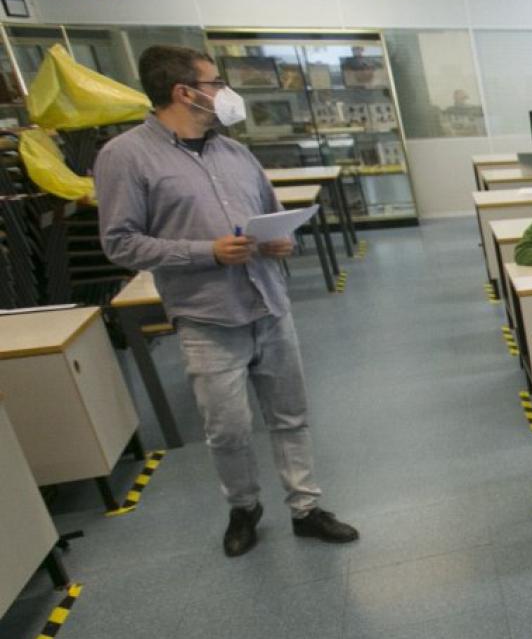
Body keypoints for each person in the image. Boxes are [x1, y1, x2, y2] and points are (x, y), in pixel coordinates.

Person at [96, 45, 359, 557]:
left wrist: (283, 241)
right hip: (207, 316)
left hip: (269, 303)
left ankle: (305, 507)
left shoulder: (235, 152)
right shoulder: (125, 156)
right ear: (184, 92)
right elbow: (120, 242)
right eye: (216, 83)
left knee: (290, 415)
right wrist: (206, 252)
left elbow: (272, 213)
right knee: (228, 427)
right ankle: (244, 507)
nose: (225, 94)